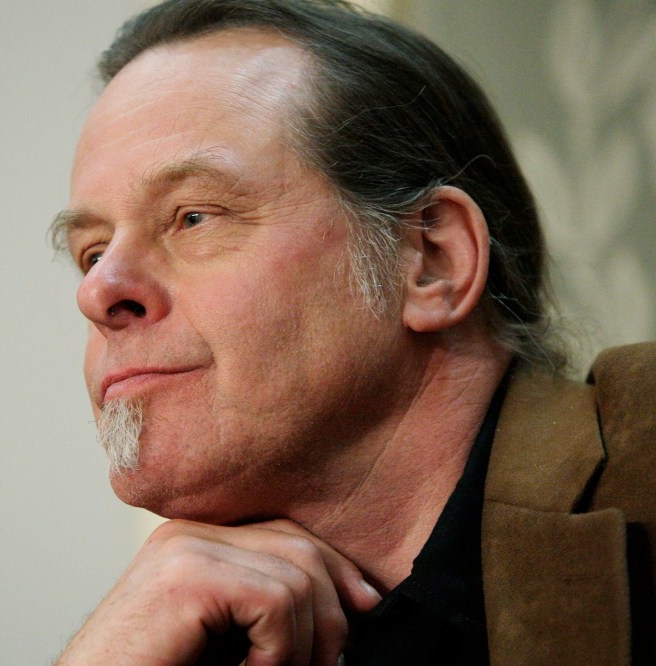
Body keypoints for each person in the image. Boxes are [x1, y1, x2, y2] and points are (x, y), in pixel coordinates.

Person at [49, 1, 656, 663]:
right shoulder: (177, 639)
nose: (97, 292)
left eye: (193, 217)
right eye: (93, 251)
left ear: (431, 262)